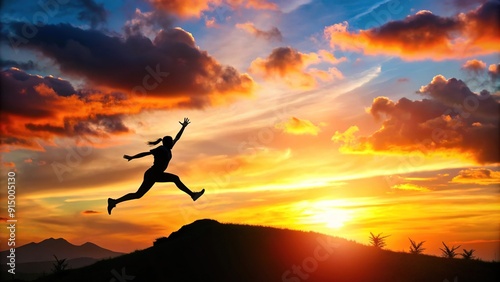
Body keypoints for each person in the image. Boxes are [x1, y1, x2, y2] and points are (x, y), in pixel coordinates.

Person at [107, 118, 204, 215]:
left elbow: (177, 138)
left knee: (138, 195)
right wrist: (132, 157)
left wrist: (183, 127)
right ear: (167, 143)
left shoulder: (168, 148)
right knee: (175, 178)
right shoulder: (161, 149)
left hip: (154, 174)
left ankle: (114, 201)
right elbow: (146, 153)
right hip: (153, 173)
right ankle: (193, 195)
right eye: (171, 141)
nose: (172, 142)